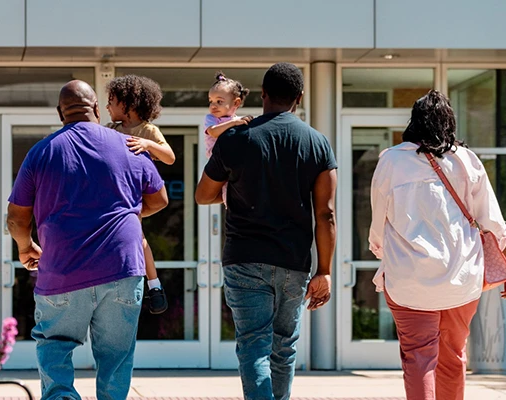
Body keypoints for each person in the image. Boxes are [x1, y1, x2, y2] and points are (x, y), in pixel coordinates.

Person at [6, 80, 168, 400]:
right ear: (96, 108)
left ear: (60, 113)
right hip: (122, 269)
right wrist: (127, 214)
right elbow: (159, 199)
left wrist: (25, 246)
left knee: (55, 349)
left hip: (63, 271)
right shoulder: (129, 145)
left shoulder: (42, 152)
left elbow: (16, 217)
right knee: (116, 357)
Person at [195, 62, 337, 400]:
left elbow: (203, 195)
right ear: (299, 98)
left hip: (244, 259)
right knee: (283, 348)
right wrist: (326, 271)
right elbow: (326, 214)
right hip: (294, 261)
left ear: (262, 95)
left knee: (254, 347)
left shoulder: (235, 138)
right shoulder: (317, 143)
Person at [369, 90, 506, 400]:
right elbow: (490, 220)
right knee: (452, 356)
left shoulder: (391, 160)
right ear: (449, 122)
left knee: (418, 358)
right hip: (461, 279)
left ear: (414, 121)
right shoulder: (466, 160)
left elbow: (377, 227)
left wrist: (385, 256)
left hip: (409, 279)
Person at [106, 74, 174, 314]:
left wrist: (148, 145)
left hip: (137, 196)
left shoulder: (148, 130)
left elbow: (169, 156)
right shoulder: (110, 130)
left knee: (138, 237)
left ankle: (154, 285)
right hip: (115, 196)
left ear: (128, 104)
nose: (107, 107)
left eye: (111, 101)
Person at [204, 72, 253, 206]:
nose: (213, 106)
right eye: (211, 101)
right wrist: (234, 123)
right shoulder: (212, 119)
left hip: (232, 160)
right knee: (224, 185)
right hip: (217, 160)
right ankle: (229, 205)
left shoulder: (237, 121)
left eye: (219, 101)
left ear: (236, 102)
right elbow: (213, 132)